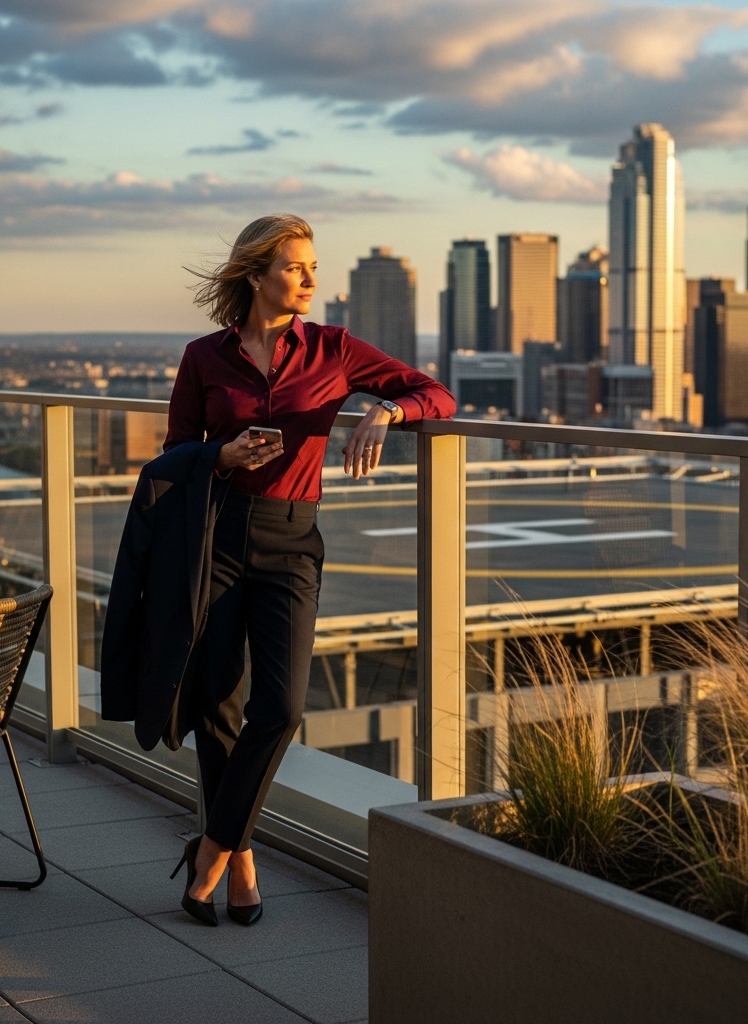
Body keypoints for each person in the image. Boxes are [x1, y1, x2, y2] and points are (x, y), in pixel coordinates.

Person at [165, 214, 455, 925]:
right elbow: (173, 455)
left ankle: (209, 849)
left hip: (293, 541)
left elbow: (438, 394)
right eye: (297, 267)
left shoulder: (335, 349)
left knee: (283, 707)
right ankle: (242, 864)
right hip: (220, 538)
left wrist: (385, 409)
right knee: (218, 707)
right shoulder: (205, 356)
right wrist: (222, 456)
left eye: (312, 267)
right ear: (256, 274)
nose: (311, 280)